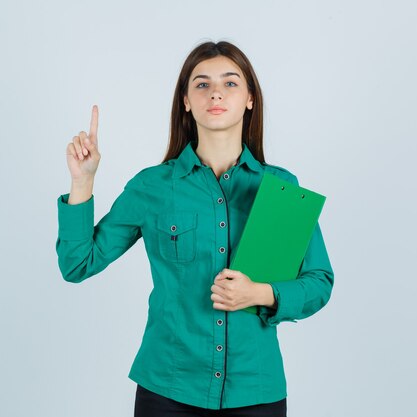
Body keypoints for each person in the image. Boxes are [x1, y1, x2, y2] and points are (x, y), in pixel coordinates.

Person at [56, 41, 334, 417]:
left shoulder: (281, 189)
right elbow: (77, 264)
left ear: (250, 98)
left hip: (256, 390)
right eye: (201, 84)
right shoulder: (152, 186)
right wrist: (82, 183)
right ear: (185, 101)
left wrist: (261, 293)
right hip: (168, 390)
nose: (215, 92)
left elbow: (319, 281)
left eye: (230, 83)